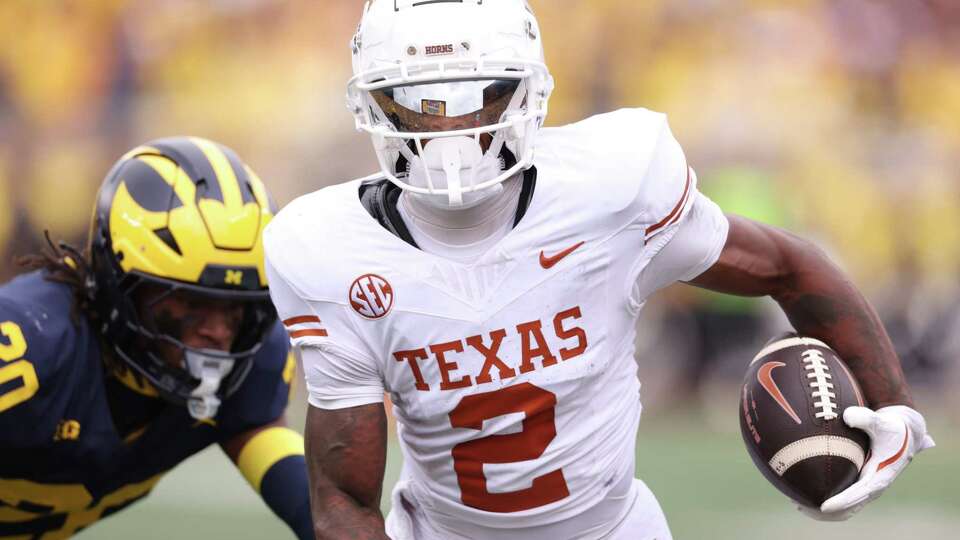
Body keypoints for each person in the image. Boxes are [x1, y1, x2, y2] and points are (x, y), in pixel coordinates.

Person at [264, 1, 935, 539]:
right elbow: (344, 500)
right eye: (421, 105)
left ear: (526, 91)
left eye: (480, 98)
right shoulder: (330, 252)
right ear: (373, 105)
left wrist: (896, 407)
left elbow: (788, 266)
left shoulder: (610, 188)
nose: (451, 136)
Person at [0, 137, 312, 539]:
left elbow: (314, 506)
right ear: (120, 284)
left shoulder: (248, 357)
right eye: (190, 301)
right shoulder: (27, 348)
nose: (217, 331)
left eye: (235, 307)